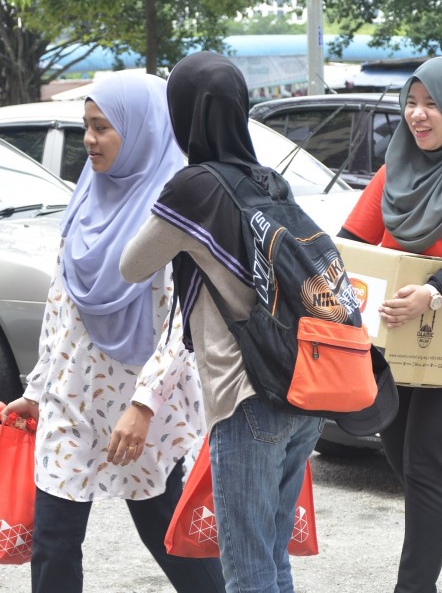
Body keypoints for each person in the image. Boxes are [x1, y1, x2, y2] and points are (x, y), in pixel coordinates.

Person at [0, 71, 225, 593]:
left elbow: (180, 328)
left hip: (140, 407)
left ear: (140, 130)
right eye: (86, 126)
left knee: (167, 536)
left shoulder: (169, 212)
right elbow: (63, 306)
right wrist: (37, 389)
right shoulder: (86, 197)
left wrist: (144, 406)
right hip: (71, 401)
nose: (89, 140)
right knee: (52, 542)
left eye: (102, 128)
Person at [120, 51, 324, 592]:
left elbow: (131, 265)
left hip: (246, 400)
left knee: (246, 570)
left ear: (183, 115)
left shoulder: (194, 189)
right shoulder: (270, 182)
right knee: (272, 558)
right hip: (304, 388)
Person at [337, 56, 442, 593]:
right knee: (404, 460)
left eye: (432, 103)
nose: (418, 114)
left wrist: (432, 293)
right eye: (411, 103)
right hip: (394, 336)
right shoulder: (397, 169)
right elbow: (349, 242)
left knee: (427, 464)